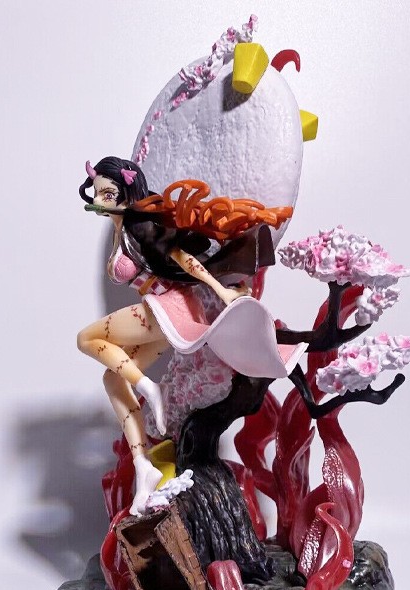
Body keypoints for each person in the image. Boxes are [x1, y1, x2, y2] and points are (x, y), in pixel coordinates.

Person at [76, 156, 306, 514]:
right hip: (158, 316)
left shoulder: (141, 227)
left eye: (108, 193)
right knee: (112, 378)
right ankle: (143, 466)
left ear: (126, 192)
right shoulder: (123, 229)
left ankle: (149, 388)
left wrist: (220, 288)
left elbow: (183, 258)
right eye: (97, 194)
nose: (99, 201)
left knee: (87, 339)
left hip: (162, 310)